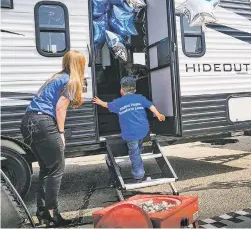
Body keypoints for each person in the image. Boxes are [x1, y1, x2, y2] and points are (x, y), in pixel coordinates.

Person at [20, 50, 86, 227]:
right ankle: (52, 214)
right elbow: (60, 109)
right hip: (43, 122)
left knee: (46, 169)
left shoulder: (56, 77)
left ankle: (42, 213)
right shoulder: (71, 80)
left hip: (28, 121)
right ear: (79, 65)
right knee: (57, 168)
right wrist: (61, 133)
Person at [93, 77, 166, 181]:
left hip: (130, 133)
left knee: (134, 153)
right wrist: (158, 114)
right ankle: (139, 151)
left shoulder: (119, 102)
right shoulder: (140, 98)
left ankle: (138, 175)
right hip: (143, 130)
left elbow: (107, 105)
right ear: (135, 90)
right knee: (138, 146)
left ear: (121, 90)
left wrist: (99, 102)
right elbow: (151, 106)